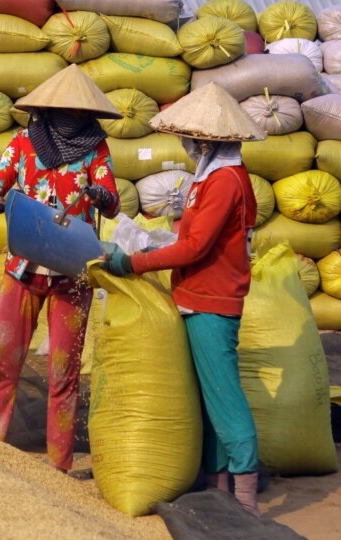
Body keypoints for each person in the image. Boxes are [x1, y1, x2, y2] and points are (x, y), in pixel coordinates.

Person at [100, 82, 266, 517]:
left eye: (190, 139)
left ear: (206, 140)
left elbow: (194, 249)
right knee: (207, 399)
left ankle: (245, 495)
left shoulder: (226, 181)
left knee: (223, 397)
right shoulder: (209, 178)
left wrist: (134, 262)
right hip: (195, 296)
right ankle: (215, 483)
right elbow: (190, 237)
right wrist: (157, 238)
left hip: (213, 301)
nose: (186, 145)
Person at [0, 64, 122, 473]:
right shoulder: (22, 143)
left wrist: (99, 194)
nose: (74, 118)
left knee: (64, 375)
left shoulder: (96, 150)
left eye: (80, 112)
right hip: (23, 268)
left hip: (72, 274)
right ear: (48, 110)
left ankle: (58, 468)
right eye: (66, 111)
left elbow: (112, 201)